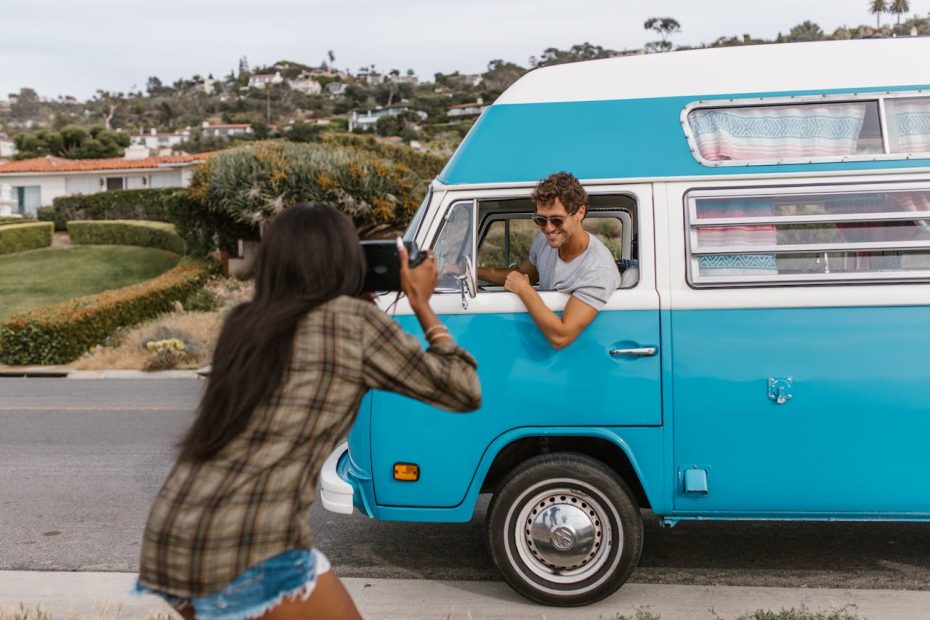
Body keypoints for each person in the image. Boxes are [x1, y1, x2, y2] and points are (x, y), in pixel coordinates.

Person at [135, 202, 481, 620]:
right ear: (344, 261)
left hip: (174, 531)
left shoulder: (245, 322)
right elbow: (463, 389)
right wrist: (421, 303)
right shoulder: (352, 324)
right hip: (250, 539)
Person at [477, 171, 620, 349]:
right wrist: (475, 272)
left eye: (557, 220)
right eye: (541, 220)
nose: (548, 229)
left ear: (580, 212)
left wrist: (524, 290)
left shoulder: (598, 269)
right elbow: (522, 275)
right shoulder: (544, 242)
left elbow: (561, 336)